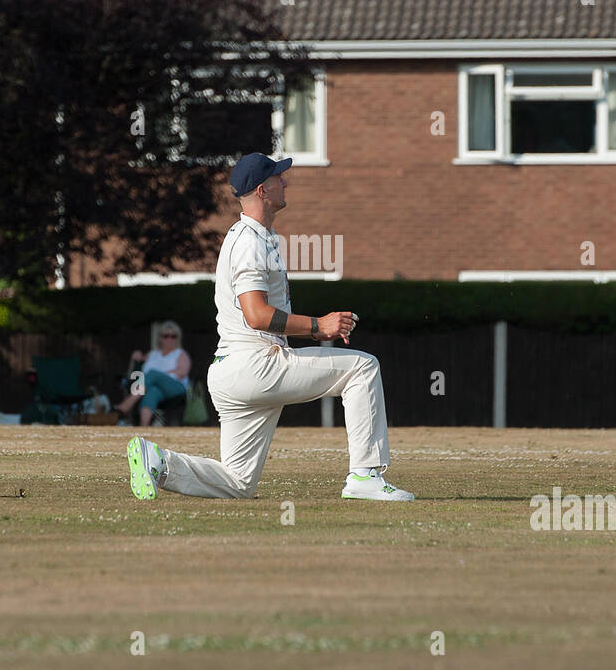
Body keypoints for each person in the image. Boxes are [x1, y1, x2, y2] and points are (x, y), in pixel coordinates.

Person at [124, 152, 413, 502]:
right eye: (279, 178)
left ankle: (159, 461)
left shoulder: (257, 236)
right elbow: (256, 315)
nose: (285, 182)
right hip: (256, 365)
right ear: (263, 190)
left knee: (238, 483)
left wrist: (315, 328)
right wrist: (317, 326)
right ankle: (365, 476)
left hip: (232, 372)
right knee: (363, 368)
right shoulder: (249, 241)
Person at [113, 320, 192, 427]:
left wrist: (160, 375)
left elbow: (182, 372)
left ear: (178, 338)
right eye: (166, 336)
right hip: (153, 387)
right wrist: (136, 356)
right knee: (153, 392)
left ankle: (128, 403)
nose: (169, 339)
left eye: (173, 336)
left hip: (176, 387)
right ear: (160, 338)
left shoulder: (181, 354)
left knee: (153, 374)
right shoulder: (153, 354)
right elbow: (137, 368)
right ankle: (144, 428)